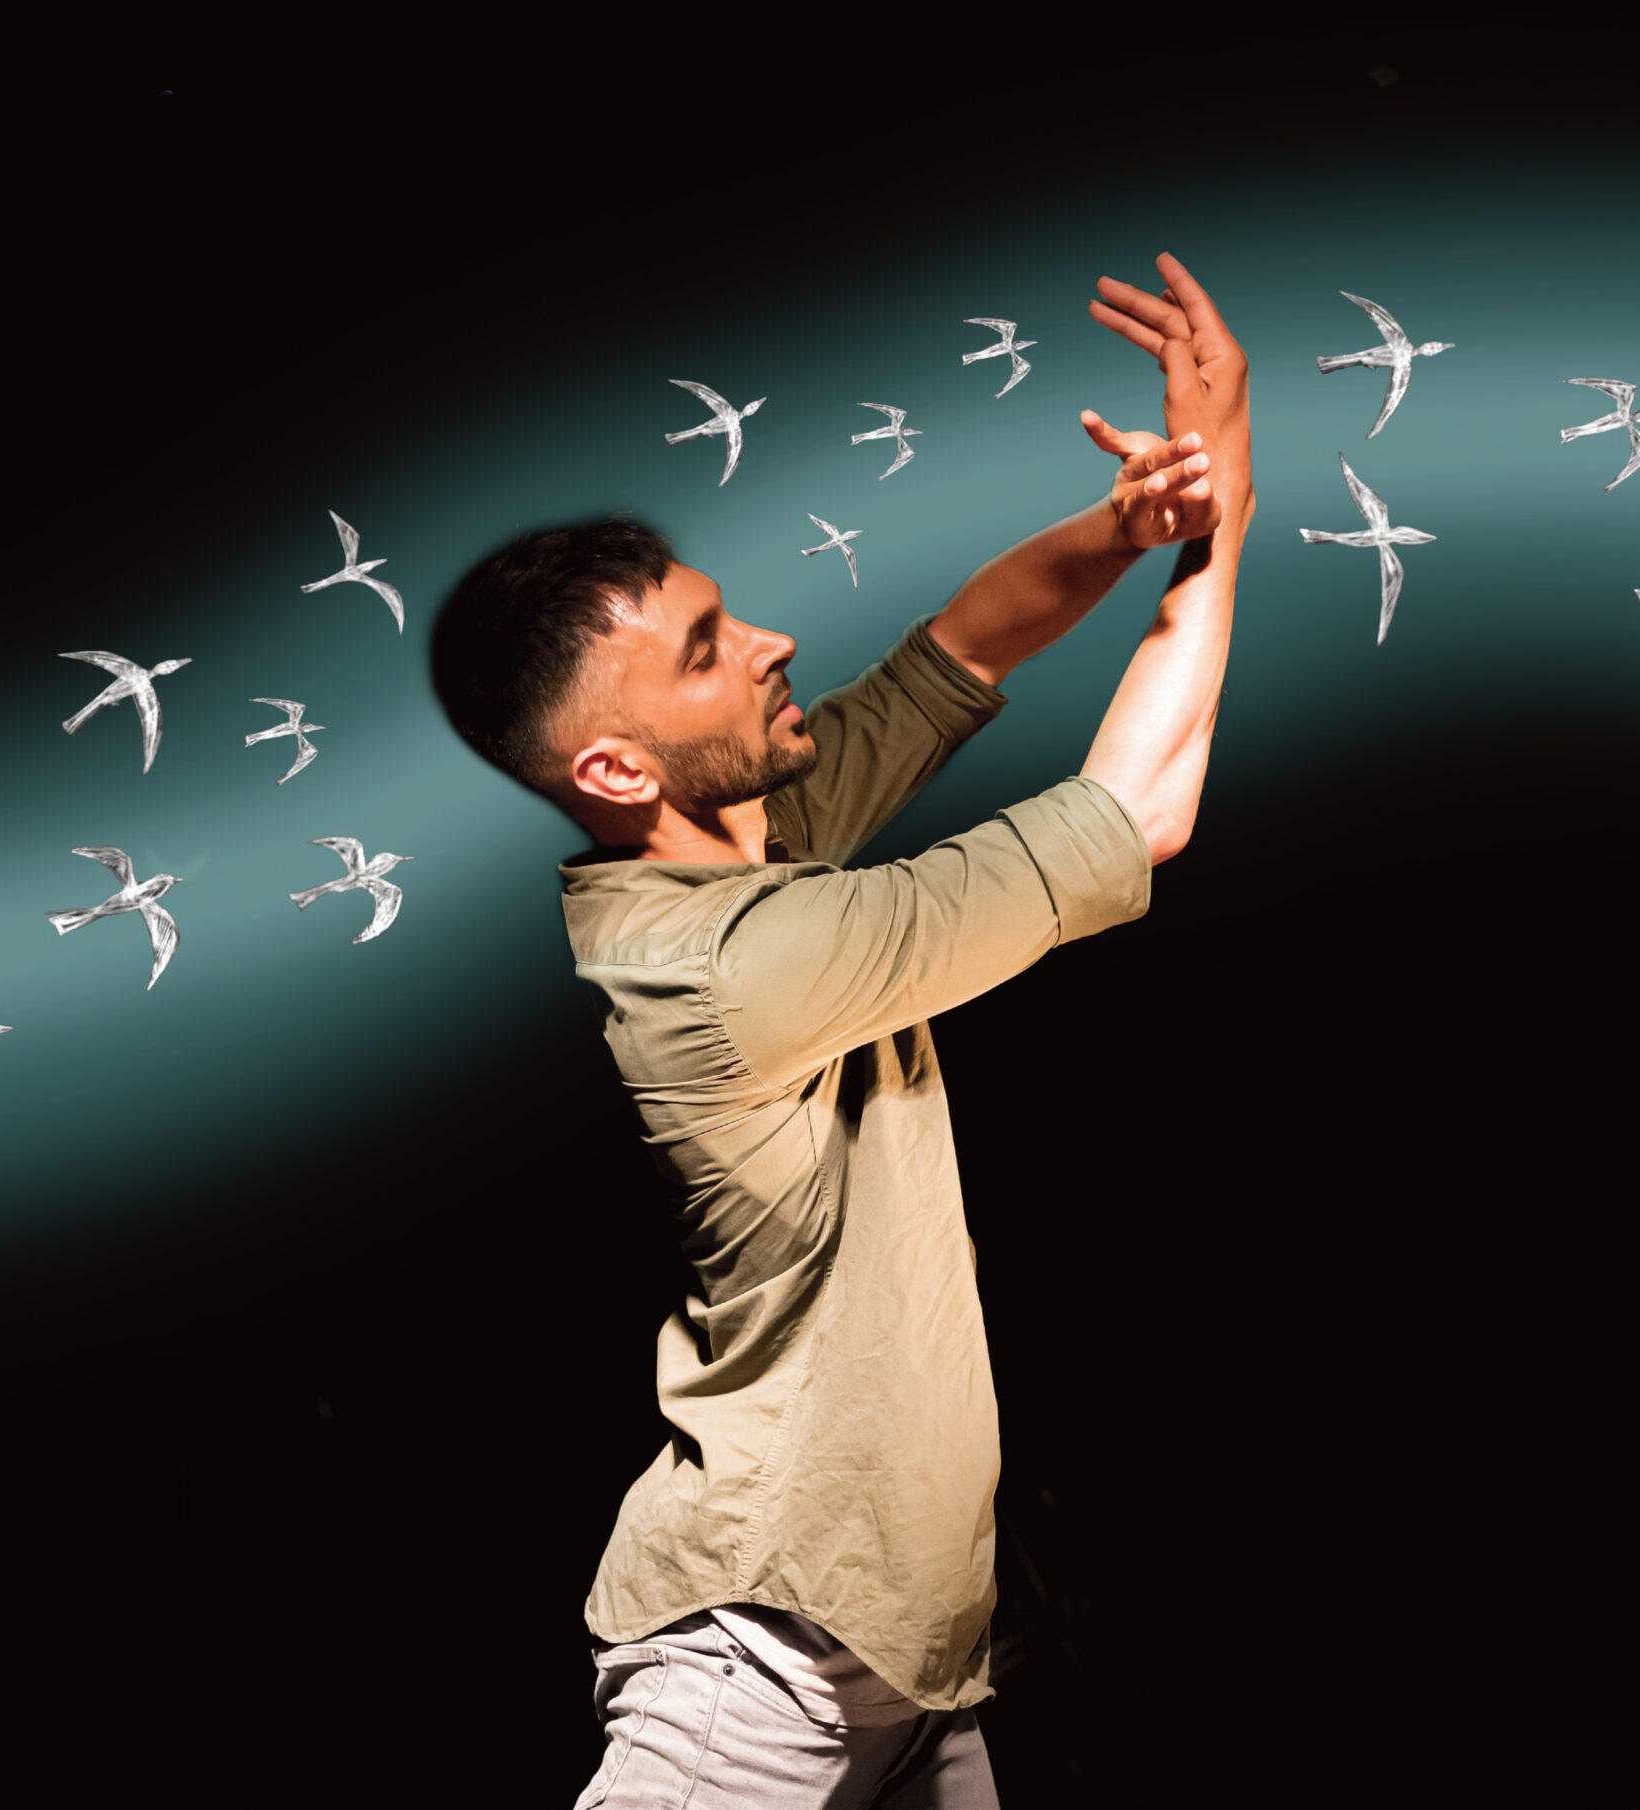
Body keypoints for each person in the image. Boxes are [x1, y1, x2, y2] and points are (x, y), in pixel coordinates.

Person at [431, 255, 1251, 1808]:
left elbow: (963, 645)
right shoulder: (729, 962)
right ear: (614, 770)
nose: (767, 644)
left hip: (910, 1656)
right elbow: (1144, 810)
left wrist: (1131, 522)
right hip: (764, 1653)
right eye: (704, 653)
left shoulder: (751, 827)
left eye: (721, 616)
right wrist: (1230, 513)